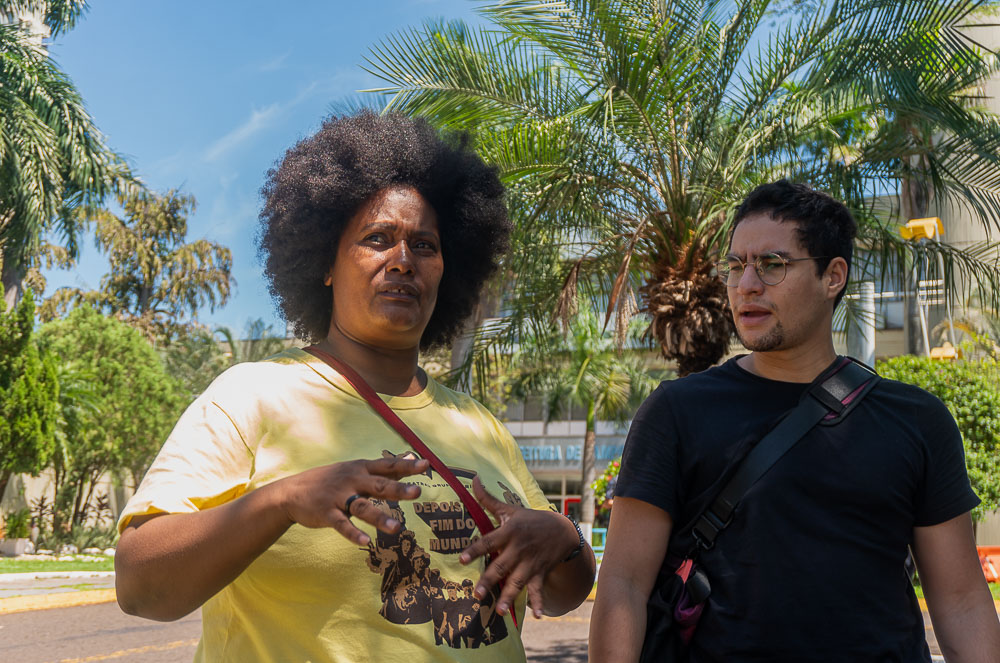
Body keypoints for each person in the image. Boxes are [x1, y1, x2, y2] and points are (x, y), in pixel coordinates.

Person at [114, 111, 595, 662]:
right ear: (325, 263)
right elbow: (138, 585)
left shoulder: (478, 424)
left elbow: (561, 594)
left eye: (425, 246)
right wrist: (281, 502)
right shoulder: (250, 395)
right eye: (377, 239)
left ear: (448, 271)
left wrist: (563, 539)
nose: (402, 261)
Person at [590, 180, 1000, 662]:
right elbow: (623, 586)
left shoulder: (917, 421)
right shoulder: (676, 412)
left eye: (772, 264)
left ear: (833, 276)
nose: (746, 285)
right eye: (737, 265)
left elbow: (962, 601)